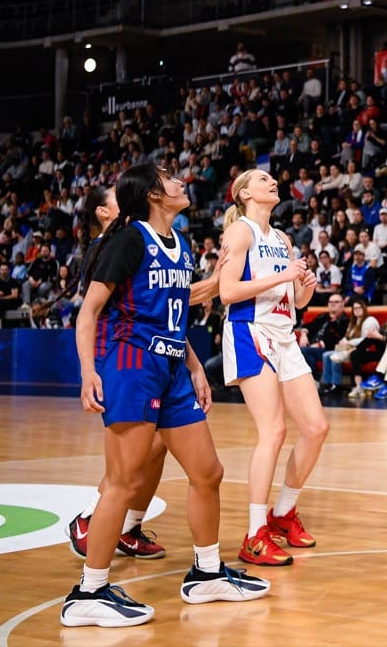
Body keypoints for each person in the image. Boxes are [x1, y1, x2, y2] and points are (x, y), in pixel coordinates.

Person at [63, 164, 269, 628]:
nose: (180, 183)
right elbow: (89, 312)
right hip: (130, 366)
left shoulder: (182, 247)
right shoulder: (128, 239)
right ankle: (89, 592)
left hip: (173, 366)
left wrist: (195, 367)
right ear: (154, 195)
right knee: (124, 481)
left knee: (208, 471)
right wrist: (88, 372)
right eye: (170, 179)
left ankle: (207, 573)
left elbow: (172, 318)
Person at [66, 186, 222, 563]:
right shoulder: (113, 245)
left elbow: (166, 308)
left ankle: (131, 527)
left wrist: (194, 365)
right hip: (124, 361)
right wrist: (219, 282)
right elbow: (111, 312)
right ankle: (91, 520)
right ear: (104, 212)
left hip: (160, 358)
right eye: (116, 196)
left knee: (164, 447)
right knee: (131, 464)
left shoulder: (159, 241)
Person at [219, 169, 328, 567]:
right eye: (263, 179)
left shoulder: (281, 238)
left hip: (284, 333)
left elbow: (296, 302)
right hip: (249, 330)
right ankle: (253, 534)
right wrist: (283, 275)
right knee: (274, 430)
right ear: (245, 192)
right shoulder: (239, 233)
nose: (272, 183)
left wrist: (305, 285)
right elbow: (227, 292)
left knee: (316, 428)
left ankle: (282, 512)